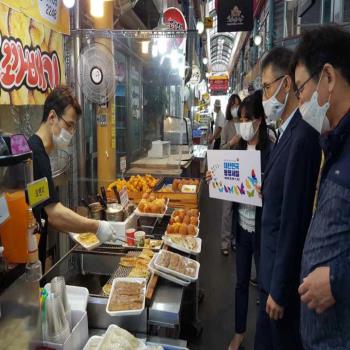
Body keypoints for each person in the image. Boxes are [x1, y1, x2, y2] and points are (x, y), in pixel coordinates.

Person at [254, 47, 321, 350]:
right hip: (268, 270)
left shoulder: (303, 137)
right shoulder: (284, 131)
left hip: (279, 283)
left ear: (287, 83)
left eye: (267, 87)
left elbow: (294, 221)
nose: (265, 96)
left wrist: (280, 290)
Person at [292, 26, 350, 349]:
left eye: (301, 88)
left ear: (327, 77)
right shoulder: (334, 144)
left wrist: (337, 279)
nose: (300, 100)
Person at [28, 86, 118, 269]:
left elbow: (45, 210)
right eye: (69, 125)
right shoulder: (35, 154)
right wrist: (96, 226)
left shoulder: (39, 153)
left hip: (33, 254)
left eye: (73, 127)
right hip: (25, 259)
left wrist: (75, 224)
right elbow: (53, 214)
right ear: (52, 117)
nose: (70, 132)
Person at [227, 91, 273, 350]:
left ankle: (264, 339)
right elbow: (230, 181)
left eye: (247, 118)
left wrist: (266, 190)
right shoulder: (239, 148)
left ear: (259, 119)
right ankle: (239, 332)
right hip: (242, 226)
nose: (243, 124)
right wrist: (218, 180)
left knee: (265, 286)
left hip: (263, 228)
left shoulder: (271, 151)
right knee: (241, 282)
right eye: (241, 119)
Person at [220, 93, 241, 255]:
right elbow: (221, 149)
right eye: (233, 105)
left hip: (242, 172)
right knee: (227, 209)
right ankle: (224, 242)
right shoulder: (227, 126)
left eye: (238, 105)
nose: (236, 108)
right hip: (228, 171)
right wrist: (231, 143)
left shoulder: (244, 123)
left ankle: (235, 239)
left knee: (238, 209)